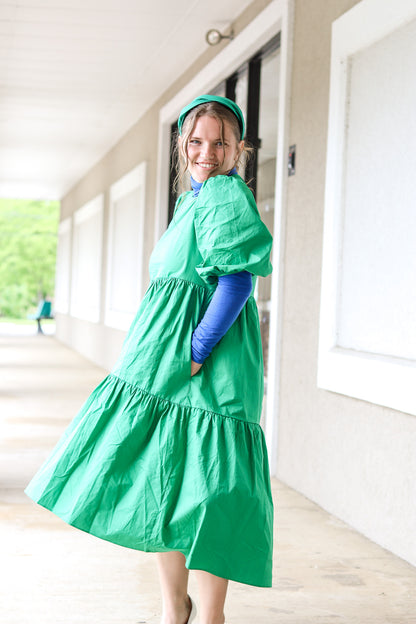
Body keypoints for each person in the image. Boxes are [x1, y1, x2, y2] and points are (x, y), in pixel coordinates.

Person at [25, 94, 274, 624]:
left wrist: (195, 353)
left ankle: (208, 615)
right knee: (164, 478)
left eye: (220, 143)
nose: (207, 152)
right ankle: (172, 608)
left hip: (205, 363)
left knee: (211, 491)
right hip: (163, 362)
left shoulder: (226, 194)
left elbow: (236, 282)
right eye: (197, 141)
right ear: (183, 147)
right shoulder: (192, 199)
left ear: (237, 152)